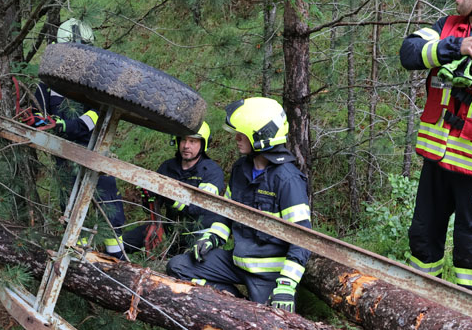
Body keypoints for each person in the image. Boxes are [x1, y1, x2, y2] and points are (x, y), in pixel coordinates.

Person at [400, 0, 472, 295]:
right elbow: (409, 52)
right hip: (436, 161)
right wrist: (457, 46)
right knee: (422, 238)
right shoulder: (446, 27)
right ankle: (415, 306)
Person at [166, 97, 312, 310]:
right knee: (178, 266)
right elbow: (227, 213)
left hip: (268, 275)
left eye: (242, 133)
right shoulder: (240, 169)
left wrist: (287, 284)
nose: (236, 138)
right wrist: (212, 237)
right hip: (238, 261)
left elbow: (303, 238)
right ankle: (234, 305)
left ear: (261, 136)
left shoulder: (287, 179)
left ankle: (243, 309)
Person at [34, 18, 126, 258]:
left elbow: (100, 113)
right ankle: (79, 266)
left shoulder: (97, 80)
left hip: (96, 153)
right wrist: (41, 122)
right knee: (73, 217)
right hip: (64, 161)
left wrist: (70, 125)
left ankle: (120, 266)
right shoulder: (47, 84)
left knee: (111, 214)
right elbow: (37, 114)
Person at [123, 122, 226, 256]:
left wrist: (170, 196)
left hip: (198, 235)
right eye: (183, 139)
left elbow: (200, 207)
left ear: (203, 144)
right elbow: (151, 208)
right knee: (124, 242)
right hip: (169, 230)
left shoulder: (212, 172)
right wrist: (148, 197)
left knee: (178, 265)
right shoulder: (167, 167)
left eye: (193, 141)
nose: (186, 146)